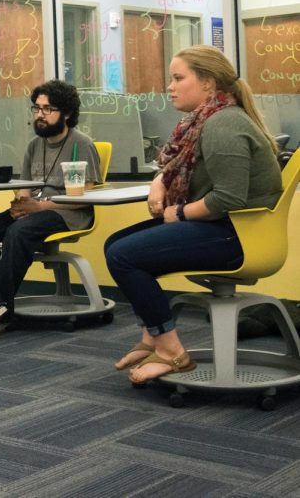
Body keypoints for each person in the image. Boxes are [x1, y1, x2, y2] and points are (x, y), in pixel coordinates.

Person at [105, 45, 282, 383]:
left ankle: (172, 353)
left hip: (241, 236)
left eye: (177, 78)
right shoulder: (205, 120)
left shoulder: (223, 124)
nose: (169, 87)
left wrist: (180, 214)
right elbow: (177, 168)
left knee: (124, 255)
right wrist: (159, 181)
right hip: (231, 228)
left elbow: (227, 197)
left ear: (207, 83)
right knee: (117, 243)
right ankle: (153, 337)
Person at [0, 79, 100, 341]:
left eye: (48, 109)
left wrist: (38, 206)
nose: (40, 115)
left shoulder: (80, 143)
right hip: (35, 209)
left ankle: (2, 305)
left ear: (67, 113)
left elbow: (86, 196)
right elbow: (24, 187)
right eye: (36, 108)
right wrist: (20, 205)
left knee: (17, 232)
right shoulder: (34, 145)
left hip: (67, 213)